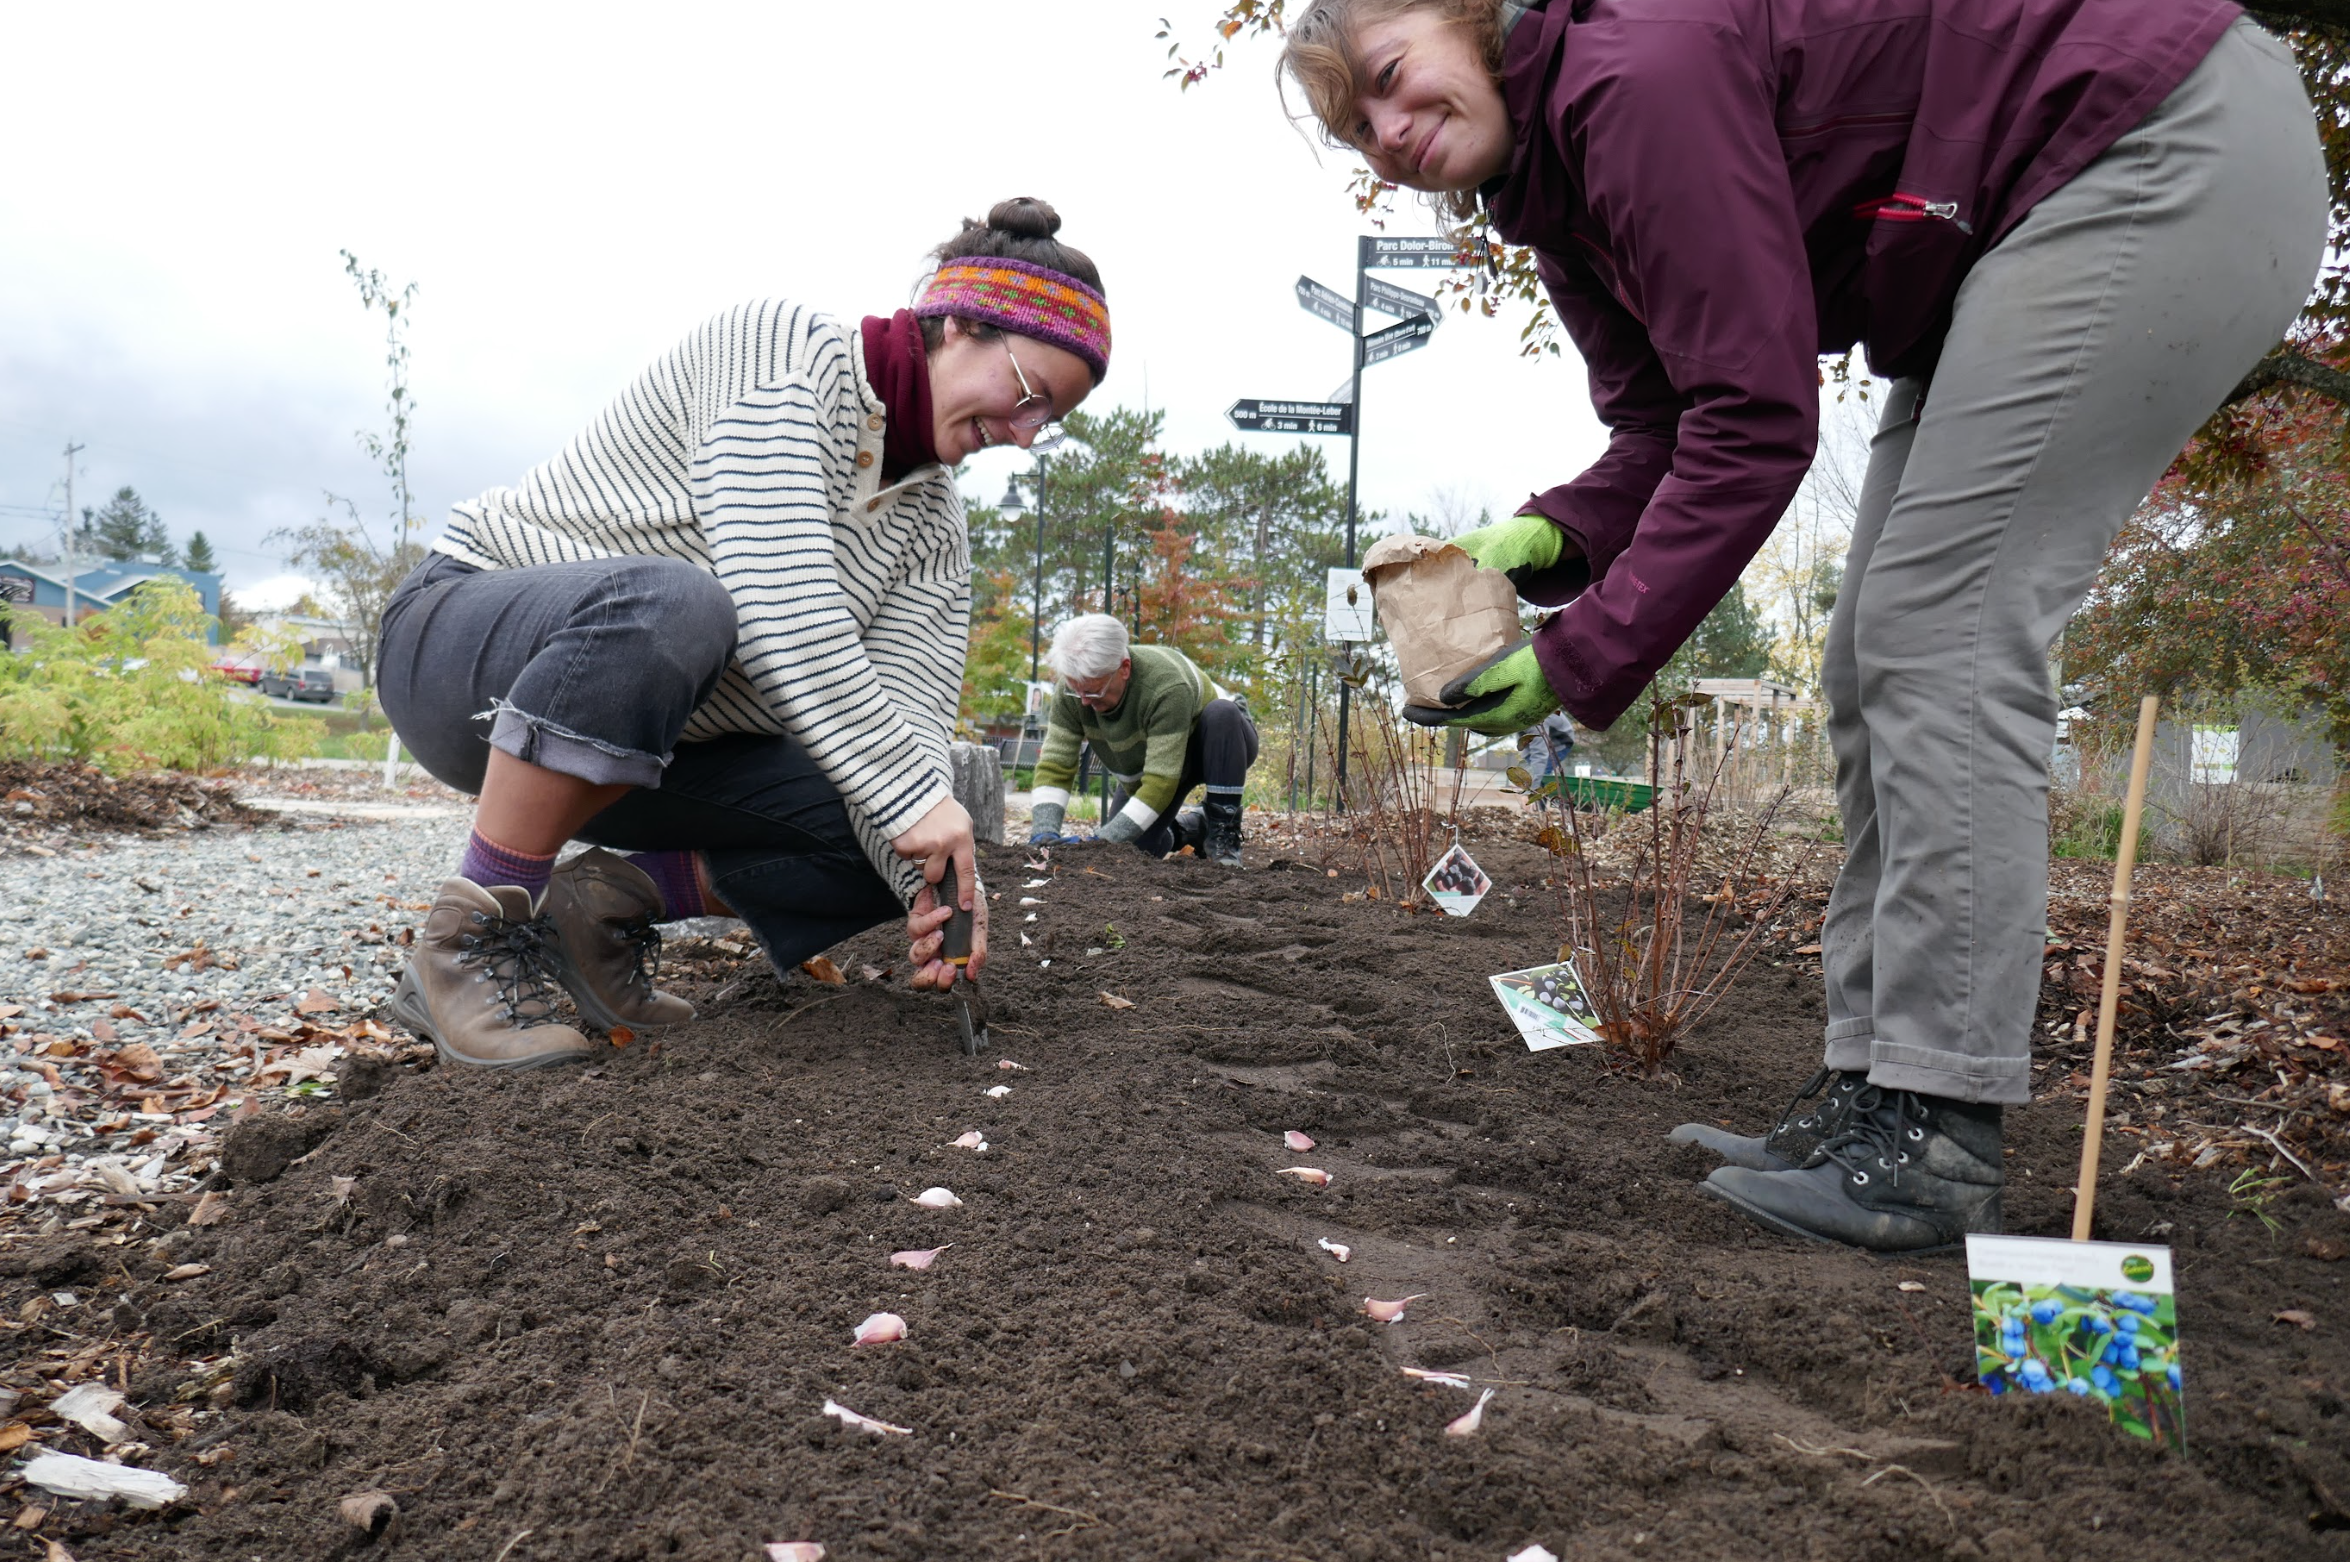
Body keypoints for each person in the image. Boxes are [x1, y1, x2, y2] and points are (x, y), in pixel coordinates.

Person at [1279, 0, 2324, 1251]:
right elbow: (1666, 427)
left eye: (1392, 80)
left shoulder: (1629, 75)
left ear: (1476, 23)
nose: (1389, 132)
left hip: (2144, 140)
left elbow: (1757, 420)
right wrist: (1549, 539)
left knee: (1941, 634)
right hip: (2009, 226)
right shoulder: (1549, 188)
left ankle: (1937, 1129)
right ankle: (1875, 1095)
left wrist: (1575, 654)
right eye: (1359, 129)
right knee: (1872, 655)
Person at [376, 199, 1110, 1069]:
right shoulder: (786, 351)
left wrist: (941, 885)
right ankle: (469, 939)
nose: (1025, 437)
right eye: (1029, 395)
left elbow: (907, 738)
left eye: (1049, 422)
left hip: (652, 745)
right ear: (957, 324)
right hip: (465, 650)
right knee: (681, 605)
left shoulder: (935, 532)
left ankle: (602, 911)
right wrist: (914, 802)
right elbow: (776, 596)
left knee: (895, 827)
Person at [1025, 614, 1257, 867]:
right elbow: (1056, 764)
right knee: (1126, 852)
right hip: (1155, 758)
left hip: (1218, 743)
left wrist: (1099, 841)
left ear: (1124, 668)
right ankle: (1192, 829)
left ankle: (1223, 834)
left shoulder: (1165, 687)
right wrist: (1044, 835)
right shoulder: (1074, 689)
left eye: (1094, 691)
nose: (1084, 701)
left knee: (1221, 713)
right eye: (1076, 690)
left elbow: (1160, 782)